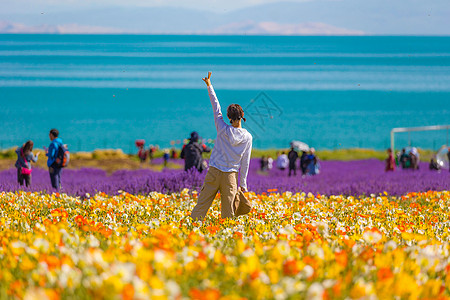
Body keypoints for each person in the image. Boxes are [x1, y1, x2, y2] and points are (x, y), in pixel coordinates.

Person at [190, 72, 252, 221]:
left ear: (229, 117)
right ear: (242, 115)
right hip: (230, 176)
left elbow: (215, 107)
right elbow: (245, 162)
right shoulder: (248, 137)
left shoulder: (222, 128)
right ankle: (226, 238)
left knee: (201, 206)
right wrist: (242, 184)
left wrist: (209, 85)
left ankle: (190, 230)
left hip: (214, 172)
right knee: (228, 213)